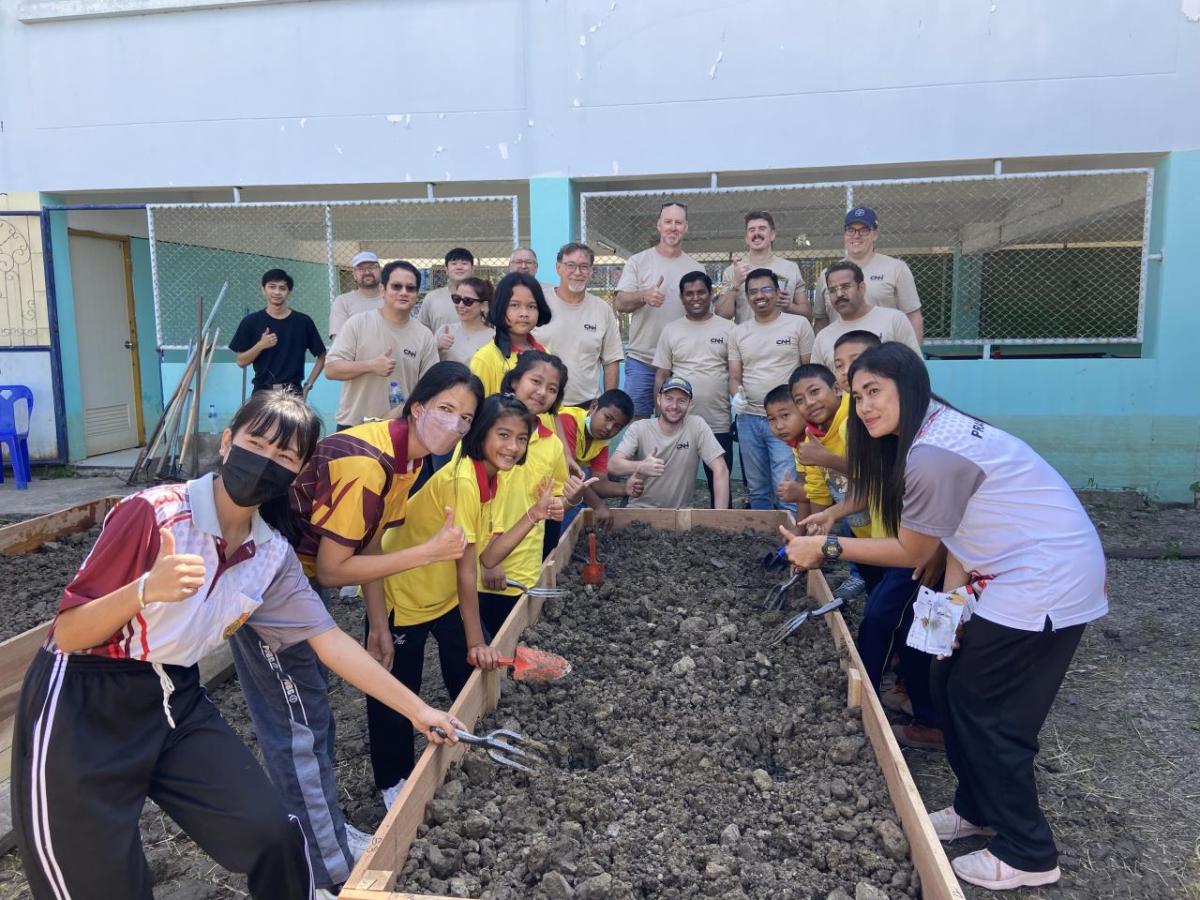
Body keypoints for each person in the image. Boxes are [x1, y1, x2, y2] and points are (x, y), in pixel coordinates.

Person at [11, 390, 463, 900]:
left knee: (272, 836)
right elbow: (68, 633)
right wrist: (144, 590)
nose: (266, 461)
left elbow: (331, 642)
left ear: (297, 474)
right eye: (257, 443)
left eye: (285, 457)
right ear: (227, 442)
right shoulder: (155, 513)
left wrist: (419, 710)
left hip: (175, 698)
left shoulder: (270, 555)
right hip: (83, 702)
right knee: (100, 885)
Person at [781, 342, 1106, 891]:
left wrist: (830, 550)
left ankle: (1028, 851)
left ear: (910, 387)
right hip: (1006, 571)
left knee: (988, 712)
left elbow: (912, 551)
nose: (864, 406)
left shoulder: (932, 453)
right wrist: (952, 611)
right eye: (857, 395)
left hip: (1044, 579)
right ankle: (977, 809)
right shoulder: (932, 431)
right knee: (948, 680)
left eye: (875, 391)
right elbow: (955, 536)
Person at [224, 364, 480, 889]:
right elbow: (338, 568)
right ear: (417, 407)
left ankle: (325, 834)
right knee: (299, 724)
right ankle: (327, 871)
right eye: (446, 410)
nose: (454, 426)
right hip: (271, 587)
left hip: (299, 577)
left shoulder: (407, 459)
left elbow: (363, 543)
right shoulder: (371, 464)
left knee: (311, 713)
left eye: (465, 419)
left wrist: (379, 622)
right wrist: (427, 553)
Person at [372, 394, 562, 806]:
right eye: (503, 435)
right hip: (404, 592)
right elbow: (466, 571)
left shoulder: (489, 477)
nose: (513, 446)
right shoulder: (462, 480)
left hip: (440, 596)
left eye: (521, 438)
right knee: (398, 689)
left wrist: (535, 513)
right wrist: (479, 639)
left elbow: (488, 557)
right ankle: (392, 782)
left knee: (468, 666)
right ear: (480, 435)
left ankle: (470, 743)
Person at [478, 353, 595, 635]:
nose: (542, 392)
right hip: (484, 566)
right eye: (536, 381)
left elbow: (553, 506)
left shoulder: (552, 444)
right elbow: (470, 501)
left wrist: (574, 498)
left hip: (525, 566)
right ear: (515, 381)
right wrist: (488, 561)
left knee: (513, 639)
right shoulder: (486, 431)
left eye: (552, 389)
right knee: (482, 647)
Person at [728, 268, 815, 513]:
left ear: (777, 292)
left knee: (785, 485)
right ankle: (762, 540)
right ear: (747, 297)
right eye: (753, 292)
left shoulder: (799, 325)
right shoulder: (738, 332)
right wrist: (736, 395)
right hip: (749, 419)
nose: (760, 296)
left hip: (787, 421)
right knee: (757, 488)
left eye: (766, 289)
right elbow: (734, 377)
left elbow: (808, 373)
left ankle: (791, 544)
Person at [788, 362, 871, 600]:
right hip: (856, 519)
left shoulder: (857, 421)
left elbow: (879, 474)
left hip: (888, 525)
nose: (809, 402)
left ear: (836, 389)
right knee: (872, 578)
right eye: (800, 400)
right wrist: (814, 540)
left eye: (814, 392)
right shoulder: (807, 437)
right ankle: (862, 577)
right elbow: (817, 489)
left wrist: (825, 458)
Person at [325, 259, 439, 429]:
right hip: (355, 426)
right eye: (396, 286)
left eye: (410, 288)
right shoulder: (358, 323)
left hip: (400, 426)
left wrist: (402, 411)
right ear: (382, 290)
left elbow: (431, 387)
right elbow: (331, 370)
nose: (403, 292)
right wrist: (370, 366)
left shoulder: (424, 335)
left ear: (417, 294)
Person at [613, 202, 702, 418]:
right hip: (642, 360)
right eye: (668, 222)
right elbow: (620, 303)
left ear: (686, 227)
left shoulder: (696, 268)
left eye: (678, 222)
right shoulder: (638, 261)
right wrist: (644, 295)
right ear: (659, 225)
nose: (673, 227)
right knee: (638, 425)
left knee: (676, 426)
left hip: (679, 363)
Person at [653, 271, 734, 507]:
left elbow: (736, 373)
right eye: (689, 293)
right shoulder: (671, 330)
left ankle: (723, 528)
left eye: (701, 292)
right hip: (678, 422)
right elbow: (662, 375)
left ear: (710, 294)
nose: (695, 298)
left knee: (719, 481)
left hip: (717, 420)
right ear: (681, 297)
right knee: (669, 485)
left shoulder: (728, 329)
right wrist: (660, 418)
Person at [609, 376, 729, 509]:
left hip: (681, 515)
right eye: (669, 398)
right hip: (640, 509)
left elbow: (721, 469)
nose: (674, 406)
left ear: (690, 404)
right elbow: (613, 465)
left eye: (682, 401)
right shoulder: (639, 428)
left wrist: (720, 517)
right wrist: (641, 466)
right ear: (659, 399)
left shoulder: (697, 425)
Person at [533, 242, 624, 408]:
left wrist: (606, 405)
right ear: (558, 268)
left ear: (591, 271)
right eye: (570, 265)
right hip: (539, 403)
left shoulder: (602, 309)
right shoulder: (538, 302)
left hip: (585, 406)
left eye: (584, 266)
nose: (577, 272)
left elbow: (611, 361)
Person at [814, 208, 924, 342]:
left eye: (864, 230)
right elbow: (821, 320)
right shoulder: (827, 274)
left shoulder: (896, 268)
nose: (856, 235)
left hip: (883, 353)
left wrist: (913, 357)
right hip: (840, 355)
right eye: (851, 230)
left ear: (875, 234)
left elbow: (912, 316)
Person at [230, 268, 326, 399]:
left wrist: (308, 386)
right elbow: (241, 361)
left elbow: (322, 356)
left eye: (282, 288)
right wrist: (260, 345)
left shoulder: (303, 322)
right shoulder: (251, 321)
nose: (277, 292)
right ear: (263, 290)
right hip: (262, 392)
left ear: (289, 292)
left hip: (293, 393)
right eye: (272, 287)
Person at [811, 260, 922, 372]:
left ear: (862, 287)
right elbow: (818, 382)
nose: (839, 294)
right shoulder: (823, 337)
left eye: (845, 286)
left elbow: (916, 369)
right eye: (833, 290)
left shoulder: (893, 320)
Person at [558, 389, 637, 531]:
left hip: (569, 487)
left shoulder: (601, 441)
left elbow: (599, 482)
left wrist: (625, 488)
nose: (609, 428)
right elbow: (570, 476)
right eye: (607, 418)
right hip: (546, 484)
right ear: (594, 406)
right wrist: (598, 505)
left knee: (585, 480)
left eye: (617, 427)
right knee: (581, 479)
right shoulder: (568, 420)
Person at [716, 211, 809, 323]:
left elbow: (807, 314)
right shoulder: (733, 271)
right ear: (746, 238)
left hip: (784, 339)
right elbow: (721, 315)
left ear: (772, 235)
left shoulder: (791, 268)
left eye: (762, 228)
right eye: (752, 230)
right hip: (747, 338)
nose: (756, 233)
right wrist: (735, 285)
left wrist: (790, 306)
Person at [469, 272, 552, 396]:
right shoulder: (485, 358)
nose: (524, 313)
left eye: (531, 306)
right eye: (514, 305)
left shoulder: (545, 353)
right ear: (500, 307)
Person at [436, 276, 495, 366]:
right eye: (457, 299)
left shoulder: (493, 338)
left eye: (468, 301)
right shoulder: (444, 331)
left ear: (483, 305)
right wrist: (437, 346)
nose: (460, 305)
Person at [418, 247, 476, 334]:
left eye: (464, 263)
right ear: (446, 270)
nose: (459, 267)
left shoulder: (484, 297)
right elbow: (422, 332)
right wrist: (437, 343)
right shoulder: (432, 298)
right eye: (454, 263)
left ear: (472, 269)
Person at [328, 250, 383, 340]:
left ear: (380, 270)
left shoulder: (393, 298)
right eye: (361, 269)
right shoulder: (343, 302)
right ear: (354, 274)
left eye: (372, 267)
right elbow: (339, 341)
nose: (367, 272)